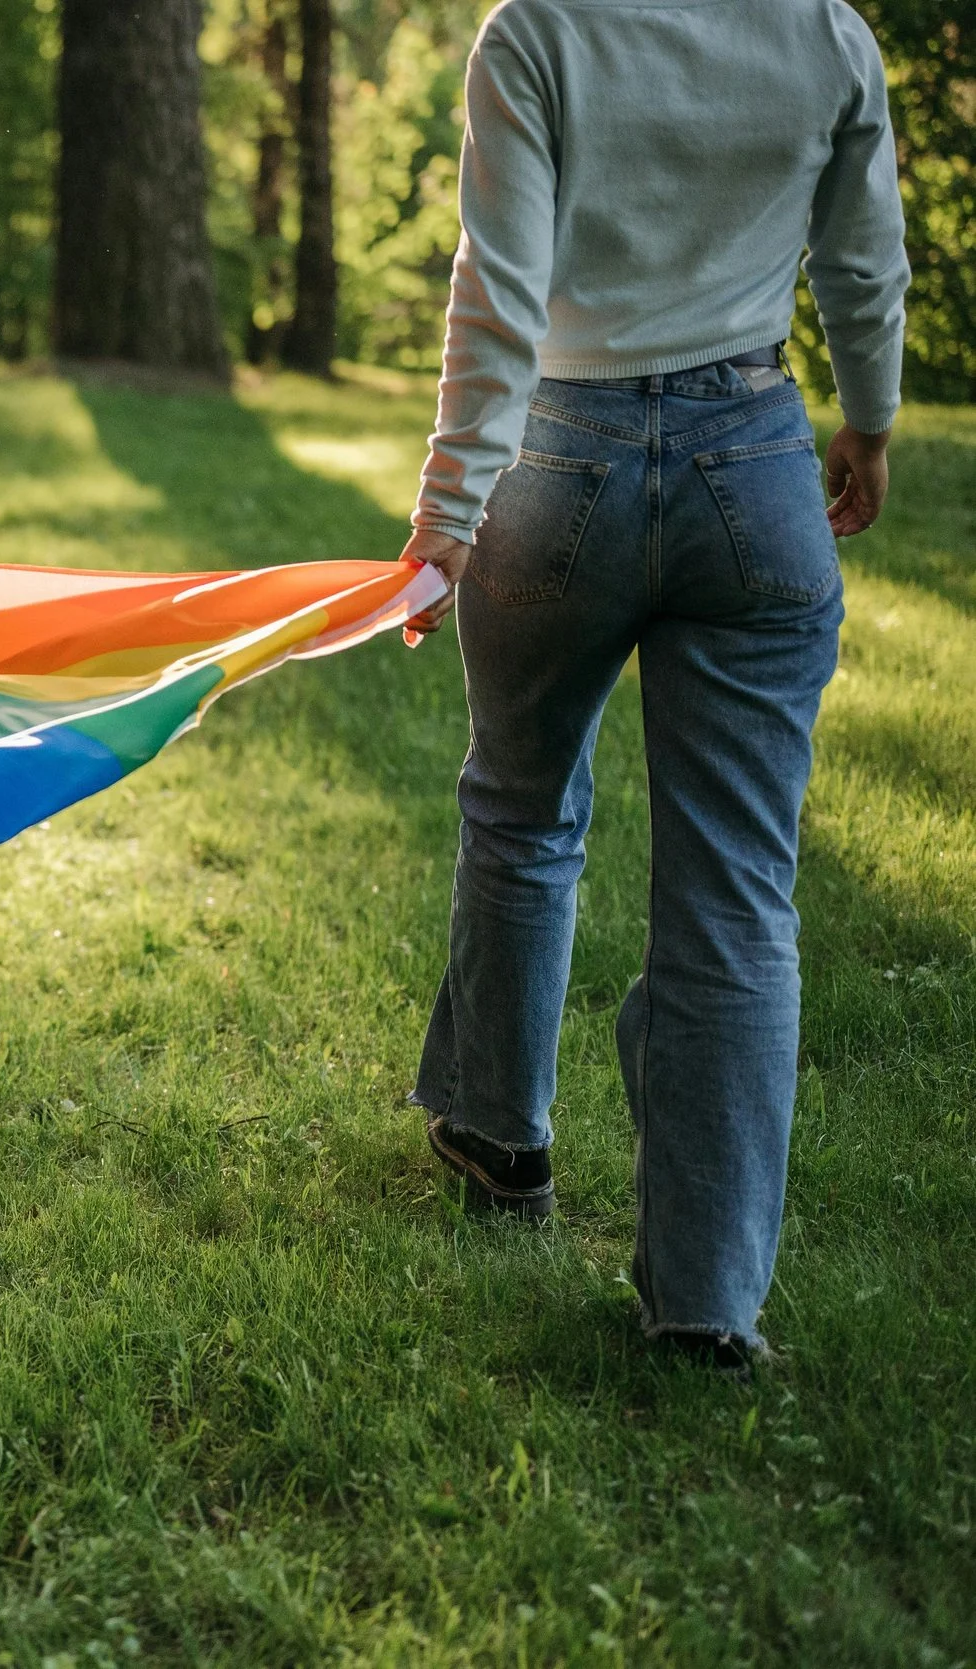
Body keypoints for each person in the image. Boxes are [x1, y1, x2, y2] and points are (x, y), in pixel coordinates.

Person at [397, 0, 909, 1370]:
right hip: (757, 460)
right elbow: (864, 259)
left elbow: (498, 287)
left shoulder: (536, 32)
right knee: (738, 894)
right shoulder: (826, 33)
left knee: (519, 804)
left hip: (559, 461)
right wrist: (869, 416)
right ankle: (706, 1304)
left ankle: (500, 1139)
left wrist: (451, 508)